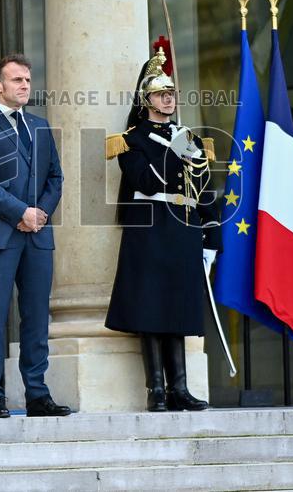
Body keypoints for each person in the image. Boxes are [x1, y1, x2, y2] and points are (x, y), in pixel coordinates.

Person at [104, 45, 221, 412]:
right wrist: (174, 151)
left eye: (171, 94)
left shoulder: (189, 137)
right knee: (150, 309)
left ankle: (179, 389)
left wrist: (211, 235)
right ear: (147, 98)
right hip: (151, 228)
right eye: (160, 94)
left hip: (183, 228)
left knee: (177, 309)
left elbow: (203, 187)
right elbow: (147, 179)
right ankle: (156, 390)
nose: (168, 100)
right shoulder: (132, 140)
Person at [0, 54, 69, 418]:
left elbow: (56, 177)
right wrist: (19, 212)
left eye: (27, 79)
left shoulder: (40, 126)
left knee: (37, 316)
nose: (25, 85)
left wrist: (39, 214)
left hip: (38, 235)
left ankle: (37, 394)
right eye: (17, 80)